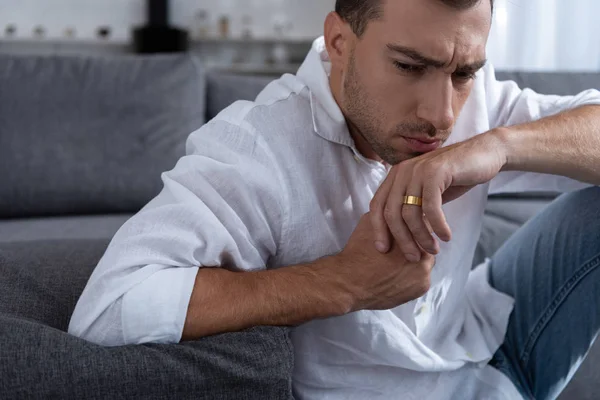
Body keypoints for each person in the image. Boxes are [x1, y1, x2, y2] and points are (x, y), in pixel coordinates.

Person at [69, 0, 600, 398]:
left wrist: (500, 146)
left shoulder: (477, 108)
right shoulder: (258, 146)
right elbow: (109, 309)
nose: (442, 114)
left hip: (491, 343)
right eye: (410, 66)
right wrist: (345, 283)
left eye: (462, 73)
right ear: (340, 41)